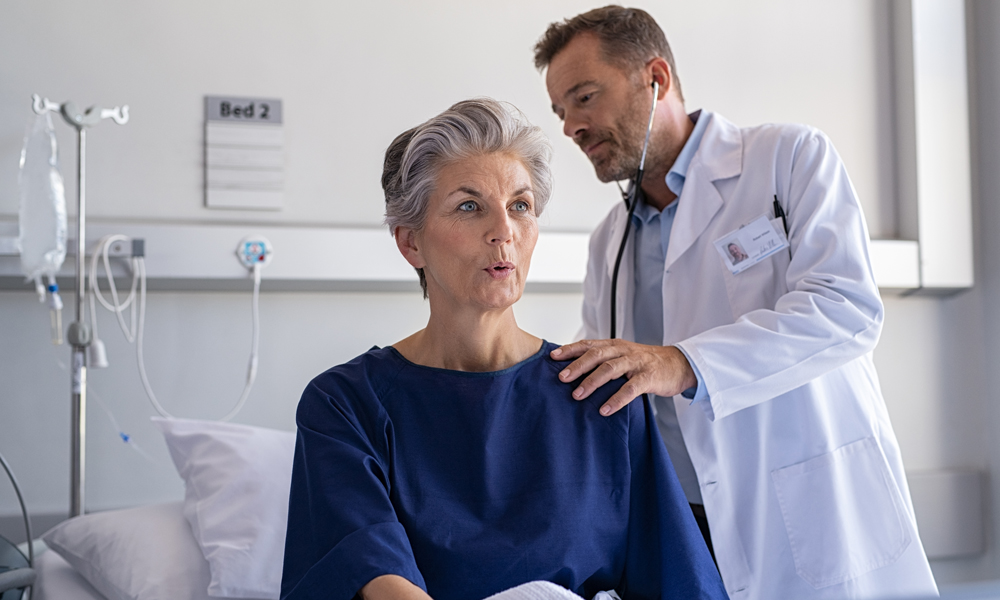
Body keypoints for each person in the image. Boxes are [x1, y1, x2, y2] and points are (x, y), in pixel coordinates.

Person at [533, 6, 938, 600]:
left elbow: (846, 308)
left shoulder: (789, 159)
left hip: (807, 507)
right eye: (560, 111)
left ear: (656, 78)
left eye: (584, 97)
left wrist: (683, 364)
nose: (571, 126)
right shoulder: (608, 242)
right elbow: (611, 382)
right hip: (681, 525)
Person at [280, 98, 727, 600]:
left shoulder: (602, 392)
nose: (504, 232)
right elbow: (370, 574)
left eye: (520, 206)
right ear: (411, 243)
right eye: (469, 207)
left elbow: (682, 580)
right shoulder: (347, 404)